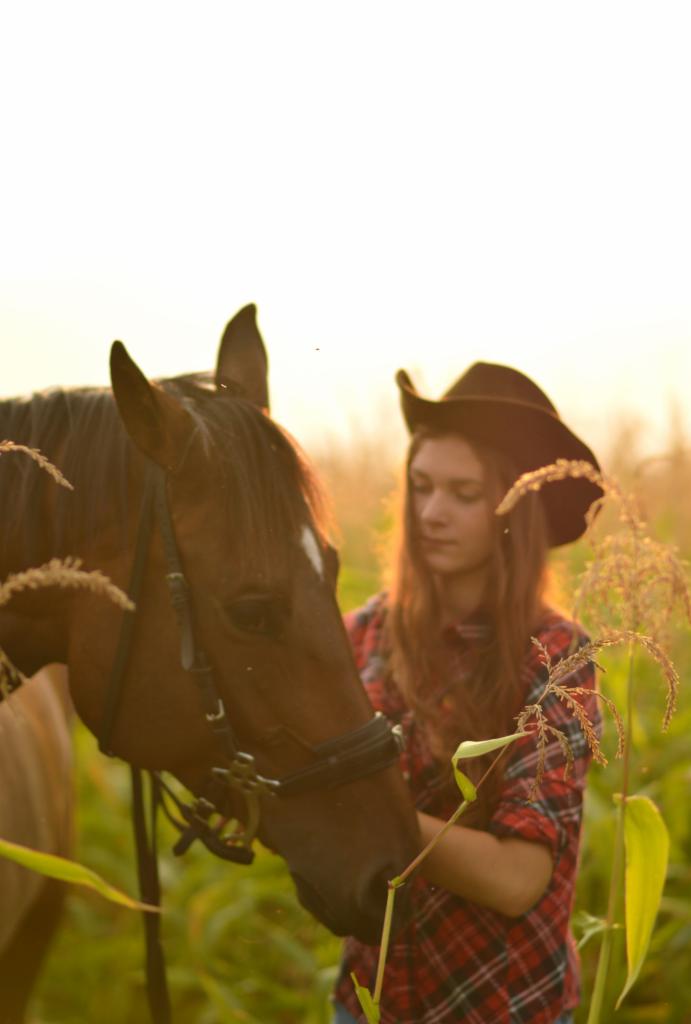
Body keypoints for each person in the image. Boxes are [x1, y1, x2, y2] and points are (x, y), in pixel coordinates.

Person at [331, 361, 604, 1024]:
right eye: (420, 487)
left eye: (462, 493)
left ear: (515, 512)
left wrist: (359, 808)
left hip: (505, 1005)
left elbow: (516, 882)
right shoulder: (360, 635)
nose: (430, 513)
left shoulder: (558, 658)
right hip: (371, 998)